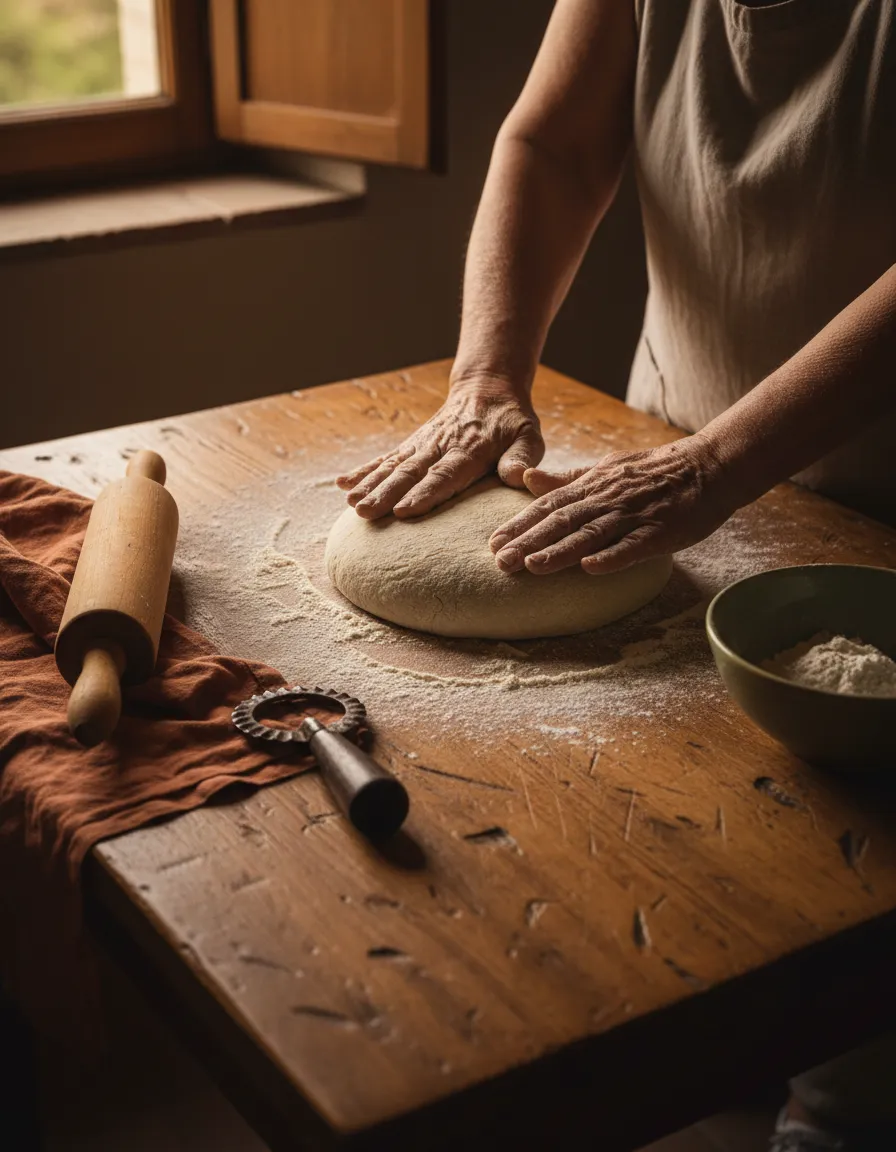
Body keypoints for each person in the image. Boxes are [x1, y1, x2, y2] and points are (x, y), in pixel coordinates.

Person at [338, 2, 896, 1148]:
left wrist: (717, 465)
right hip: (677, 463)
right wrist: (485, 373)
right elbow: (552, 142)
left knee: (860, 960)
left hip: (872, 520)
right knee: (702, 877)